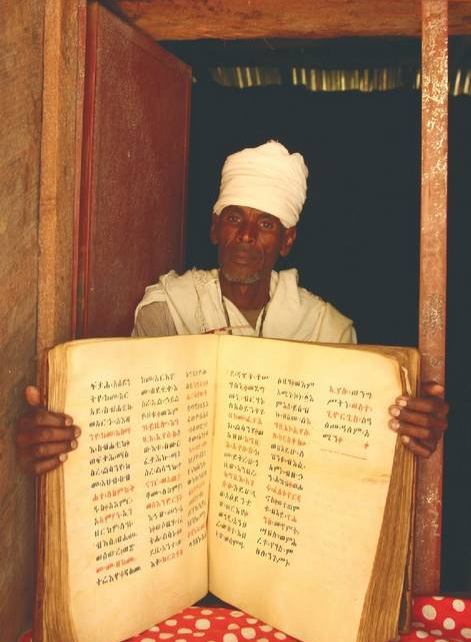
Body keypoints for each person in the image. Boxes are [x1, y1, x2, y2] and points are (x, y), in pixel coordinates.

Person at [17, 141, 448, 474]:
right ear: (215, 228)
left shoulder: (326, 329)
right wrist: (58, 433)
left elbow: (353, 448)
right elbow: (125, 420)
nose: (246, 235)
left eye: (266, 224)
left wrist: (408, 431)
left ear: (287, 241)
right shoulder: (168, 308)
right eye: (234, 218)